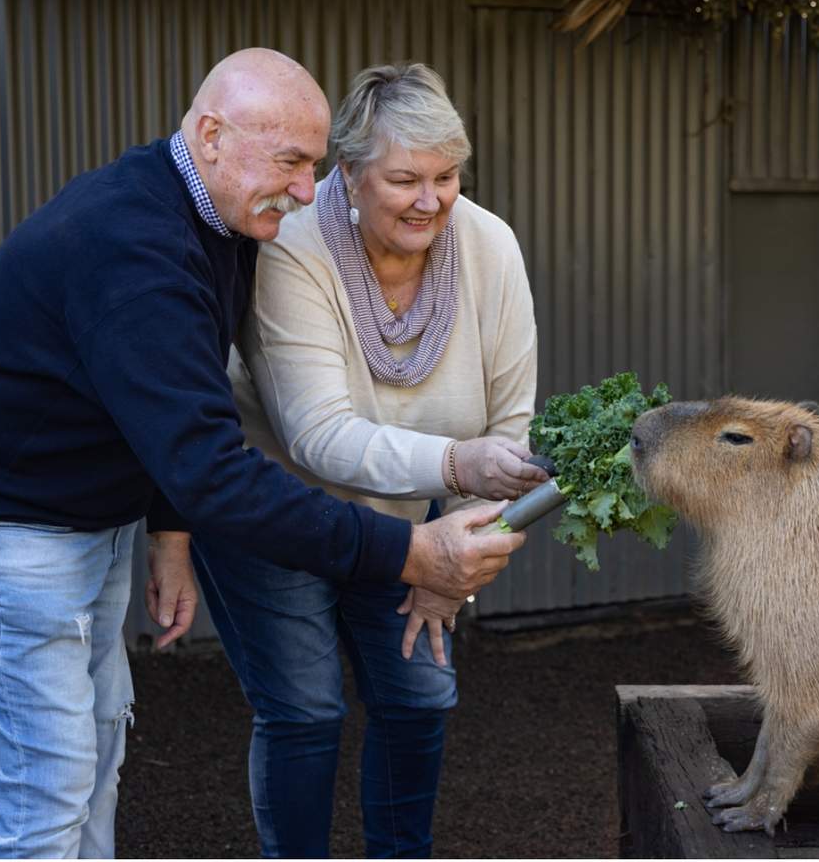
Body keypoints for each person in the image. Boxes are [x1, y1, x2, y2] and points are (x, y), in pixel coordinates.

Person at [0, 49, 525, 859]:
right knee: (38, 793)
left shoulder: (214, 214)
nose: (303, 191)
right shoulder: (137, 251)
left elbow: (182, 398)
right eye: (291, 162)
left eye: (313, 165)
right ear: (211, 135)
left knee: (93, 756)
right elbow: (215, 466)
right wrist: (409, 548)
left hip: (84, 506)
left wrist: (164, 529)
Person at [151, 63, 548, 857]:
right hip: (277, 510)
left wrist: (457, 556)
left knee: (420, 697)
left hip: (413, 517)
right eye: (404, 179)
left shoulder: (488, 244)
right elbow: (318, 435)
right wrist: (461, 470)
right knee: (304, 710)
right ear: (350, 174)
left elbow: (511, 434)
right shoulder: (294, 247)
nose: (431, 200)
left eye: (446, 176)